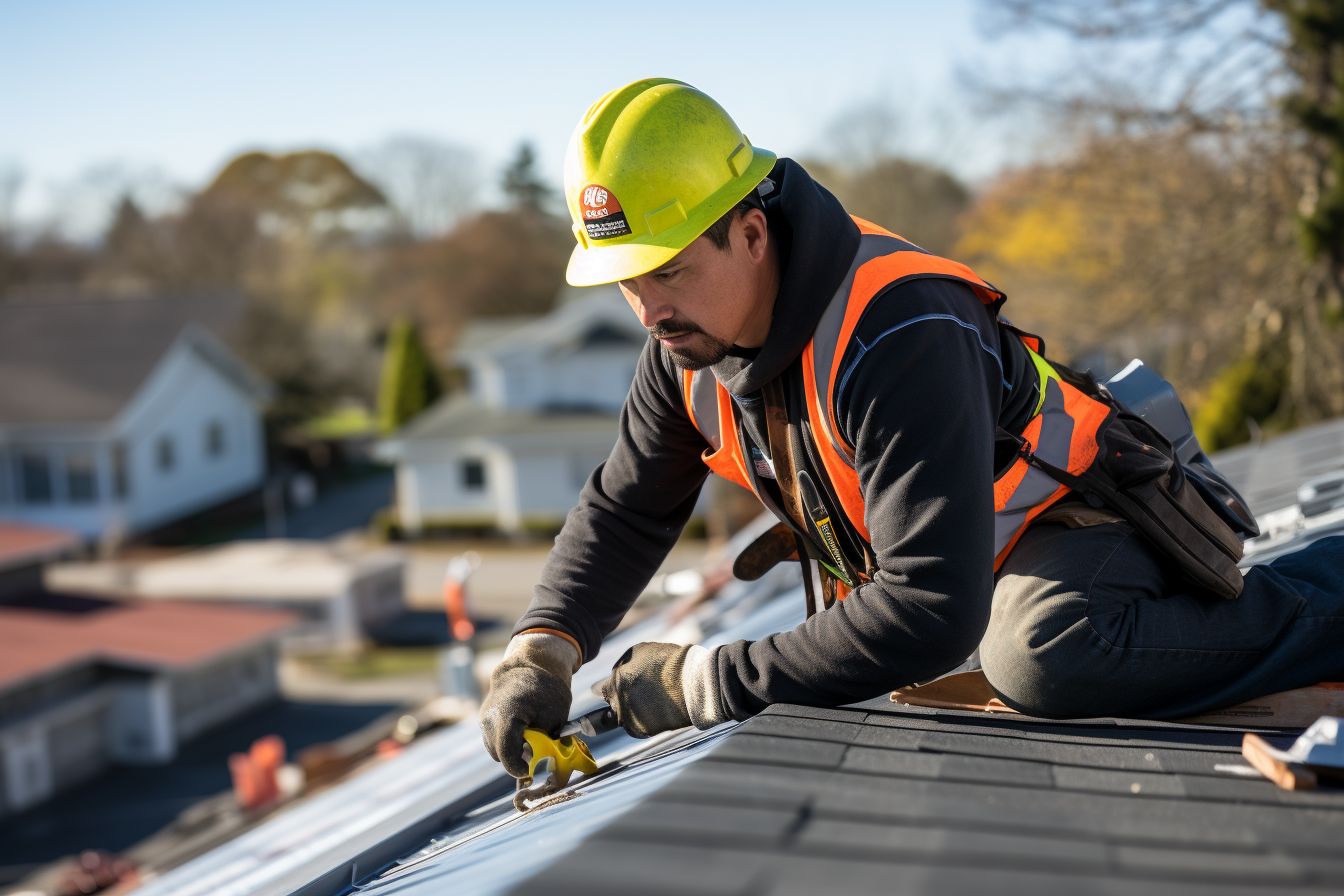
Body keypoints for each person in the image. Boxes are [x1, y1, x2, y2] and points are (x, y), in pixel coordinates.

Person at [480, 77, 1344, 779]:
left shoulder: (896, 327)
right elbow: (627, 509)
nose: (647, 309)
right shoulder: (686, 345)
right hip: (982, 561)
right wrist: (541, 652)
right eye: (625, 281)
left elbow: (932, 606)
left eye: (666, 269)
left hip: (1093, 520)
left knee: (1044, 656)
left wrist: (710, 681)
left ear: (750, 232)